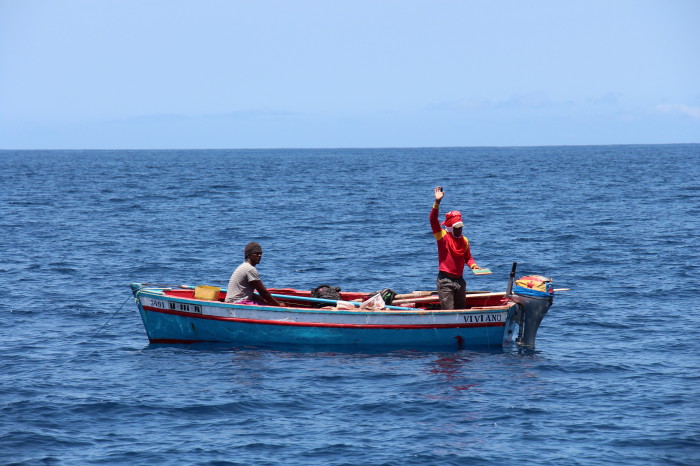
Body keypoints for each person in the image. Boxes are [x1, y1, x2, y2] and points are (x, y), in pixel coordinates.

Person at [430, 186, 482, 309]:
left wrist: (474, 266)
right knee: (449, 312)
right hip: (445, 281)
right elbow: (433, 220)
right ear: (451, 227)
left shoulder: (464, 240)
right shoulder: (442, 237)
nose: (459, 230)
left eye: (461, 227)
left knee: (461, 311)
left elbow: (468, 258)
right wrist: (437, 202)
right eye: (456, 228)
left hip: (460, 281)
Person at [225, 242, 284, 306]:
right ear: (249, 255)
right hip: (238, 302)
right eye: (256, 253)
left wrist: (266, 301)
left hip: (232, 301)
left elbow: (250, 294)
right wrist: (277, 304)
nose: (259, 256)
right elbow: (263, 292)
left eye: (260, 254)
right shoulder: (249, 269)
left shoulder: (243, 266)